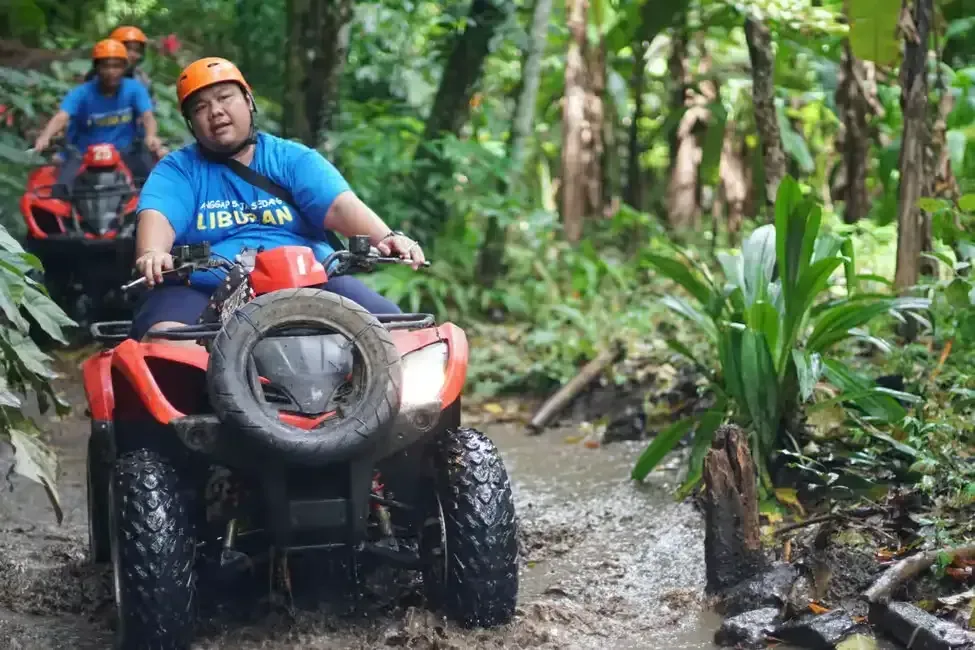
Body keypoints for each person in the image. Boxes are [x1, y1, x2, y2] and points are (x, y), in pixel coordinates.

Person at [129, 57, 425, 343]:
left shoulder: (290, 158)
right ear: (191, 122)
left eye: (224, 97)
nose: (215, 111)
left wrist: (386, 237)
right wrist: (153, 252)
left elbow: (338, 205)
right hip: (203, 288)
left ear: (248, 100)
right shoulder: (178, 170)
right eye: (201, 107)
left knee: (401, 334)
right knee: (164, 340)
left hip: (313, 282)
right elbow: (159, 215)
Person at [33, 39, 165, 192]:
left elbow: (147, 116)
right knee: (59, 192)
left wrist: (151, 136)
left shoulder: (134, 89)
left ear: (124, 68)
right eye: (105, 66)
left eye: (116, 66)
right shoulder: (81, 93)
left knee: (154, 187)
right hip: (84, 154)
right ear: (96, 68)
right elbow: (62, 116)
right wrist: (45, 136)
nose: (111, 72)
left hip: (125, 151)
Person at [84, 26, 153, 98]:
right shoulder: (96, 76)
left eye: (137, 50)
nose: (134, 55)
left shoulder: (141, 78)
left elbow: (150, 103)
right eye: (128, 48)